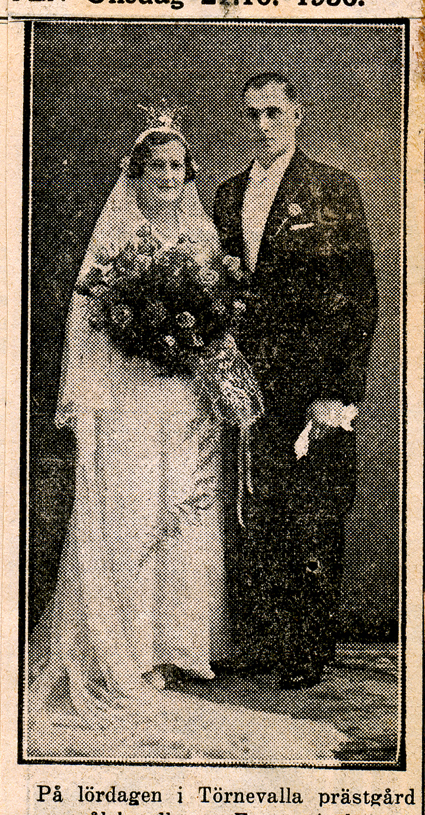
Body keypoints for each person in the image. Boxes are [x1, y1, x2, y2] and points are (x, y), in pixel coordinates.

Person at [30, 108, 240, 725]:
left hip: (184, 394)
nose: (169, 177)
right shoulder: (120, 236)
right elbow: (91, 317)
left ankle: (177, 648)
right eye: (158, 167)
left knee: (184, 509)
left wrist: (202, 353)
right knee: (131, 513)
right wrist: (128, 355)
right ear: (139, 173)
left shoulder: (201, 236)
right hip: (129, 392)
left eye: (179, 167)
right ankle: (124, 650)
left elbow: (218, 315)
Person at [214, 72, 378, 687]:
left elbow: (357, 297)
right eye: (252, 115)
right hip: (247, 382)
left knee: (314, 513)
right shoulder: (228, 196)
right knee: (259, 512)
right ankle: (267, 642)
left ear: (297, 115)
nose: (263, 126)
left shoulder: (331, 189)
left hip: (312, 381)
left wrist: (336, 393)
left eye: (274, 113)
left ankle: (308, 649)